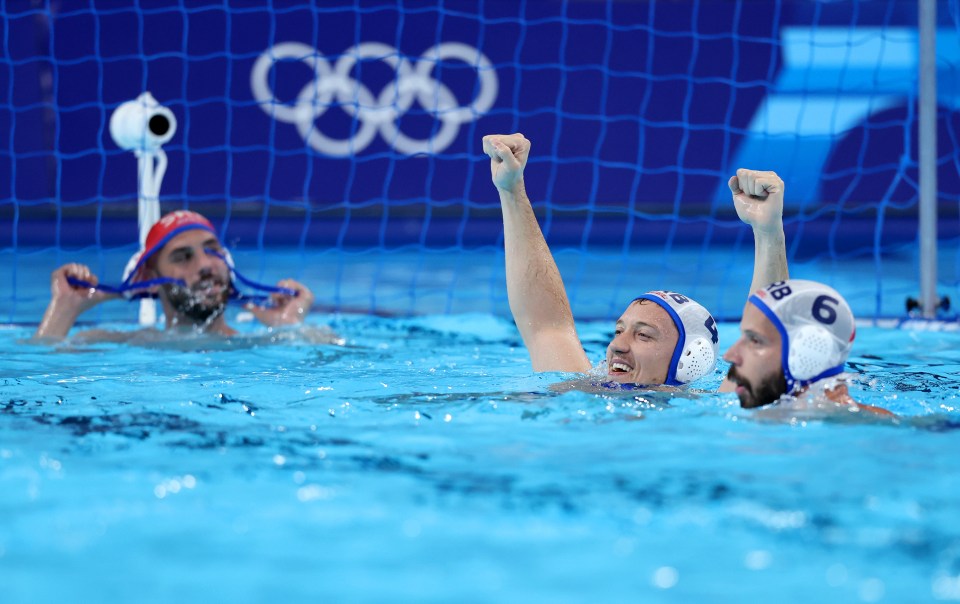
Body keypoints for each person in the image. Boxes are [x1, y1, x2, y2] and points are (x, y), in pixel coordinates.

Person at [483, 132, 719, 386]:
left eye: (643, 335)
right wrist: (511, 189)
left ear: (692, 358)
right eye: (618, 331)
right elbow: (546, 327)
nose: (617, 346)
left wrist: (767, 234)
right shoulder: (583, 390)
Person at [33, 210, 315, 342]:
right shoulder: (116, 343)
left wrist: (289, 328)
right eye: (183, 257)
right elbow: (37, 376)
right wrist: (64, 309)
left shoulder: (264, 342)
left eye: (212, 250)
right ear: (151, 280)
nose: (205, 265)